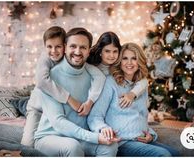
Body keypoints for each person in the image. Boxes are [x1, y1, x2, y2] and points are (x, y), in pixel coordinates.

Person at [33, 27, 120, 156]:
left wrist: (102, 131)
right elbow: (58, 123)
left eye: (83, 47)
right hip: (50, 137)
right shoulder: (49, 79)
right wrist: (95, 137)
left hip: (79, 138)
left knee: (110, 146)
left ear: (89, 51)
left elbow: (96, 113)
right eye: (73, 46)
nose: (77, 52)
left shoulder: (94, 76)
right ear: (65, 48)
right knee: (72, 146)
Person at [88, 43, 179, 157]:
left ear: (139, 61)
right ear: (120, 61)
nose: (129, 63)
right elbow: (94, 117)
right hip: (122, 142)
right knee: (163, 154)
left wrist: (151, 135)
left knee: (176, 154)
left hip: (140, 139)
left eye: (134, 58)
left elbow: (141, 116)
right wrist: (103, 128)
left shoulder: (141, 85)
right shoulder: (110, 83)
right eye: (125, 58)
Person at [21, 26, 106, 147]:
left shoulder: (74, 59)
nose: (54, 51)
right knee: (27, 144)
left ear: (64, 46)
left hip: (55, 103)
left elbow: (99, 76)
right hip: (38, 106)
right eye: (49, 46)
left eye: (58, 46)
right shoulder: (46, 58)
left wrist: (90, 101)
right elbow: (41, 81)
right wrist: (69, 99)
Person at [87, 31, 148, 108]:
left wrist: (132, 94)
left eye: (115, 51)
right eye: (107, 51)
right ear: (100, 51)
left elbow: (143, 81)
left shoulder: (119, 66)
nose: (111, 55)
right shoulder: (91, 67)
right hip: (91, 104)